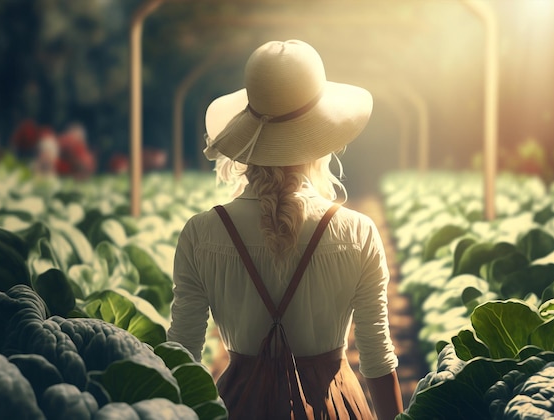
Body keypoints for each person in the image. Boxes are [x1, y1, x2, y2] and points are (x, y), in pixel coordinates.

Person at [168, 39, 404, 419]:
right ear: (321, 135)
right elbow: (377, 357)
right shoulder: (358, 233)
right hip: (335, 406)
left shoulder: (200, 234)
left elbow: (182, 354)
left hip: (240, 406)